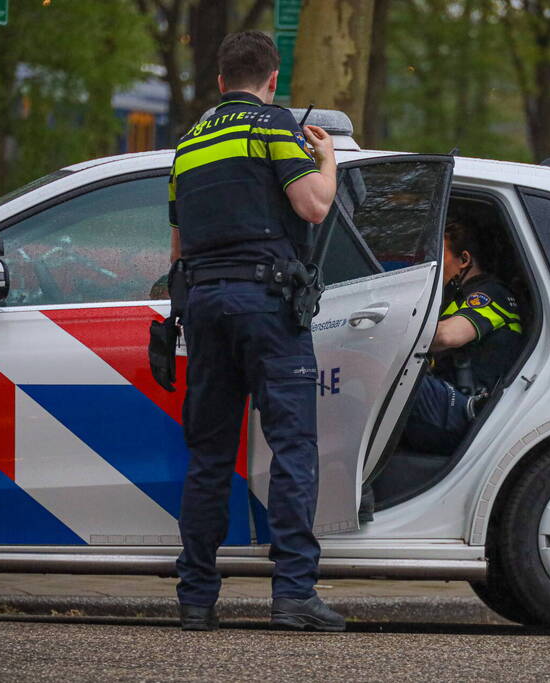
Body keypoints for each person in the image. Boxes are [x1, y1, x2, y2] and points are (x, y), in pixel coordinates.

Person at [168, 30, 344, 632]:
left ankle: (196, 598)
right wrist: (327, 159)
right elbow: (314, 206)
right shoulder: (272, 126)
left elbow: (176, 246)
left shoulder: (187, 145)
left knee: (210, 455)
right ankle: (293, 594)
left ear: (220, 82)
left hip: (204, 305)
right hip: (266, 303)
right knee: (292, 448)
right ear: (273, 82)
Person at [401, 219, 525, 456]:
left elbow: (448, 336)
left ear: (464, 260)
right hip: (446, 400)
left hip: (464, 408)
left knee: (392, 377)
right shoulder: (454, 299)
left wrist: (388, 331)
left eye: (441, 255)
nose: (434, 263)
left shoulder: (491, 293)